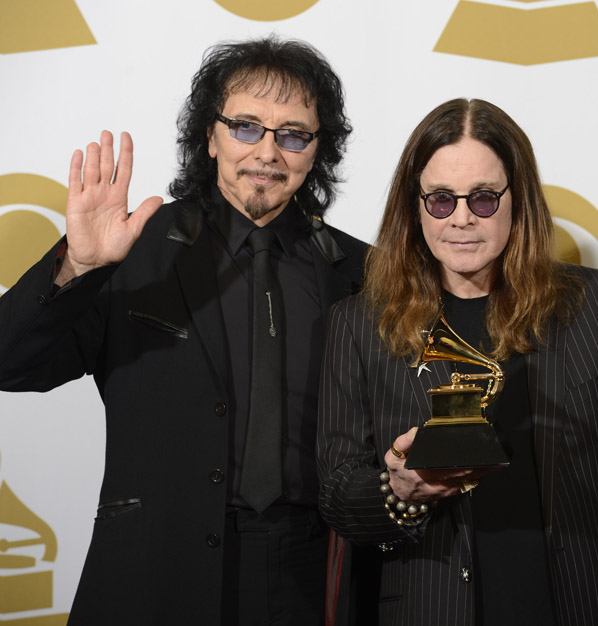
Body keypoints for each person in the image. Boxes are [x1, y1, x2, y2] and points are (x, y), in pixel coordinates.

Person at [316, 98, 598, 626]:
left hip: (584, 604)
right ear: (414, 205)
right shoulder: (358, 322)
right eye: (440, 200)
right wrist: (399, 492)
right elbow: (338, 492)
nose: (461, 219)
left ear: (517, 198)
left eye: (483, 198)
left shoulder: (591, 301)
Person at [0, 37, 368, 625]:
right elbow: (10, 364)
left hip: (313, 577)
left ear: (317, 149)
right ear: (210, 136)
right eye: (246, 127)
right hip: (155, 572)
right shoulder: (131, 251)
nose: (267, 152)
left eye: (293, 134)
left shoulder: (363, 273)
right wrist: (78, 268)